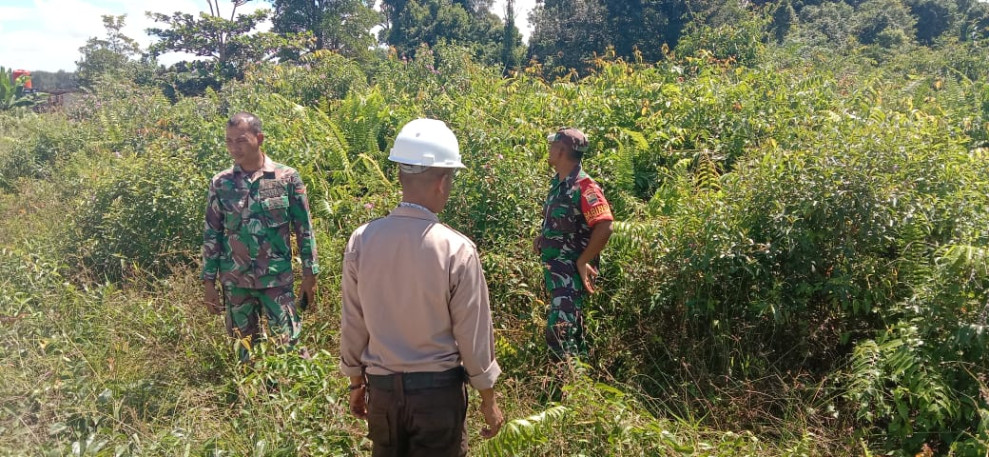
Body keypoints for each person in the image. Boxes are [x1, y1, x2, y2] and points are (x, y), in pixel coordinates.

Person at [340, 118, 504, 456]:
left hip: (382, 393)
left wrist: (356, 382)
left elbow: (353, 322)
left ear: (399, 176)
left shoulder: (362, 239)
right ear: (443, 182)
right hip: (436, 397)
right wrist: (489, 400)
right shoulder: (456, 249)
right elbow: (472, 337)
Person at [201, 111, 319, 363]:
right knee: (244, 351)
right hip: (236, 281)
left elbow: (304, 229)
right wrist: (208, 282)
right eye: (229, 141)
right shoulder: (221, 183)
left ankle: (293, 396)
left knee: (290, 347)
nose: (234, 148)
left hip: (276, 279)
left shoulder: (286, 177)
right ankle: (253, 400)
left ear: (259, 138)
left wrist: (310, 275)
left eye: (241, 140)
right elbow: (212, 233)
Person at [534, 127, 613, 359]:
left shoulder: (585, 186)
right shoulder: (559, 184)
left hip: (569, 276)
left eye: (552, 146)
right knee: (572, 332)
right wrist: (544, 238)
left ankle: (560, 390)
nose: (549, 150)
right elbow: (565, 224)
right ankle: (580, 386)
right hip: (557, 274)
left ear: (560, 150)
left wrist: (583, 260)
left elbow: (605, 225)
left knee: (559, 334)